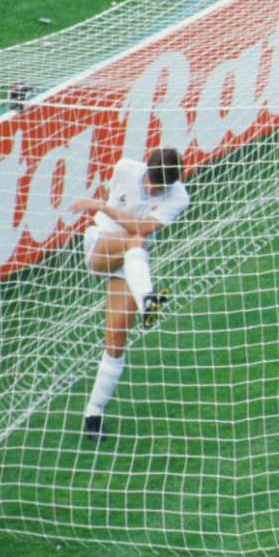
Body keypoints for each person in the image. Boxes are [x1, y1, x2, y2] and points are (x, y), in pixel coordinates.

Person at [72, 147, 190, 442]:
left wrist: (101, 205)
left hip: (130, 262)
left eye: (159, 189)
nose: (152, 189)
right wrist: (103, 209)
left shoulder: (179, 197)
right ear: (146, 163)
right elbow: (129, 222)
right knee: (135, 241)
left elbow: (143, 227)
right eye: (150, 181)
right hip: (101, 245)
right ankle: (148, 299)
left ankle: (93, 414)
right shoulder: (125, 167)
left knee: (116, 339)